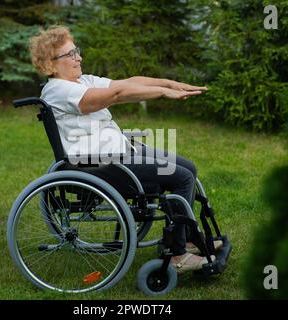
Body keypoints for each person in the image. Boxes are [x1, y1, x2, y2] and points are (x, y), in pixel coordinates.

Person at [29, 25, 222, 273]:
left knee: (188, 168)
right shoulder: (58, 90)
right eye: (70, 54)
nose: (79, 57)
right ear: (50, 64)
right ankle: (177, 254)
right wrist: (163, 92)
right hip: (96, 164)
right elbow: (118, 94)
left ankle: (184, 239)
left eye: (76, 51)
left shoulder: (82, 81)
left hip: (117, 153)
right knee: (181, 176)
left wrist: (170, 83)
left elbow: (129, 82)